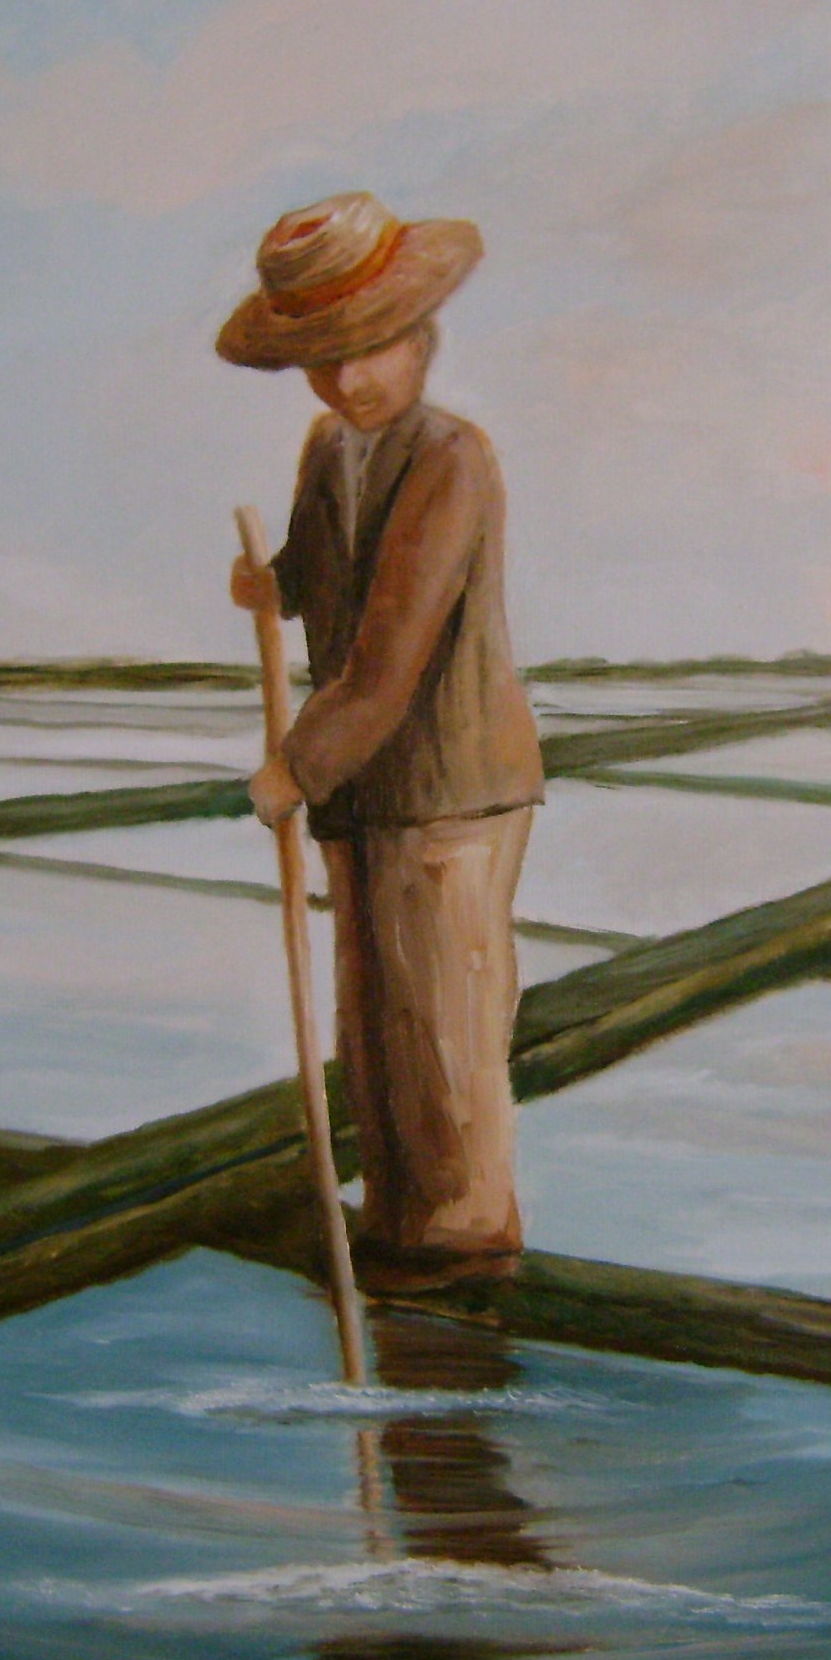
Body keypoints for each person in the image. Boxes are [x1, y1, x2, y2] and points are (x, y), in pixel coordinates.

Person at [219, 190, 543, 1292]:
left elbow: (390, 655)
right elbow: (324, 572)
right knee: (373, 1025)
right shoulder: (329, 448)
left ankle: (462, 1245)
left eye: (373, 348)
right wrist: (274, 586)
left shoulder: (452, 459)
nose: (350, 378)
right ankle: (396, 1229)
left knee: (442, 1028)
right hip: (362, 794)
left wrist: (295, 767)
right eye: (326, 359)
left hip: (451, 786)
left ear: (422, 338)